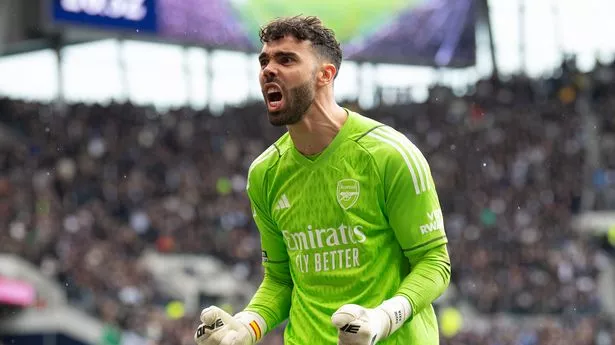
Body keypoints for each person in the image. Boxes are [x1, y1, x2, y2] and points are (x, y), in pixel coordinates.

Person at [194, 15, 451, 345]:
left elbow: (434, 264)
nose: (268, 69)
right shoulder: (265, 173)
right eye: (264, 61)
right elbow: (281, 280)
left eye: (286, 59)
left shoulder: (389, 155)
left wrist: (384, 318)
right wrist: (248, 325)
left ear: (325, 74)